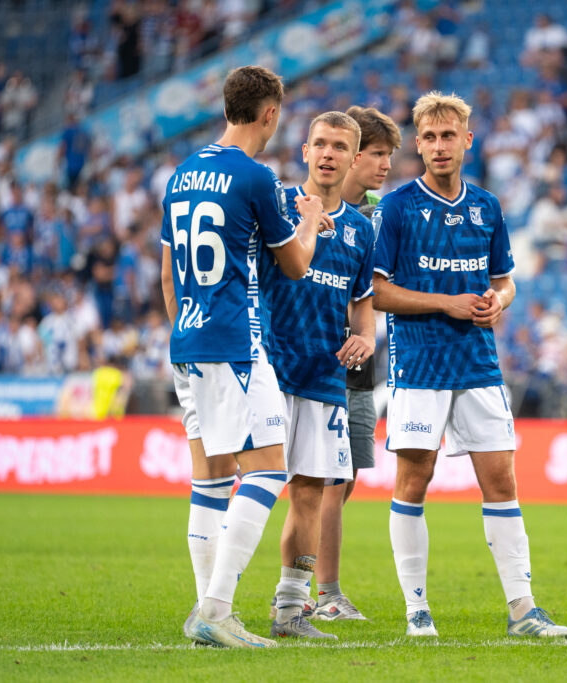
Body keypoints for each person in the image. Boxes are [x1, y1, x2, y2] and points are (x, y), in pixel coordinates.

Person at [371, 91, 567, 638]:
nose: (439, 146)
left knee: (502, 479)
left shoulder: (488, 207)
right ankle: (417, 611)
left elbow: (505, 281)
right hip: (419, 365)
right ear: (418, 145)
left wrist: (497, 302)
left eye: (448, 136)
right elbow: (378, 292)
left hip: (479, 363)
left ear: (467, 140)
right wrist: (448, 304)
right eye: (429, 137)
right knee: (414, 479)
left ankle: (523, 610)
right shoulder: (395, 208)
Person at [159, 65, 324, 648]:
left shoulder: (182, 174)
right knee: (269, 469)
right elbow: (296, 265)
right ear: (270, 114)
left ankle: (205, 610)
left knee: (209, 480)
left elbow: (168, 273)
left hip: (187, 341)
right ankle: (216, 609)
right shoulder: (255, 177)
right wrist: (309, 221)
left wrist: (187, 330)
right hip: (234, 343)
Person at [264, 111, 376, 639]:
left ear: (354, 159)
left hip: (325, 380)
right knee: (252, 487)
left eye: (340, 147)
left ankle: (290, 610)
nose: (329, 154)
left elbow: (363, 303)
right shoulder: (277, 207)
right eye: (321, 144)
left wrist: (366, 337)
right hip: (268, 372)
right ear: (305, 151)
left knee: (309, 494)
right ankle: (214, 602)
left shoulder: (361, 229)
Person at [297, 105, 401, 622]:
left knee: (347, 476)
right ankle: (323, 592)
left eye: (389, 155)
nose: (385, 165)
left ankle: (311, 588)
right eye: (377, 154)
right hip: (314, 361)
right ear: (355, 157)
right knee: (326, 482)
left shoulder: (377, 215)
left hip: (359, 365)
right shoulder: (309, 211)